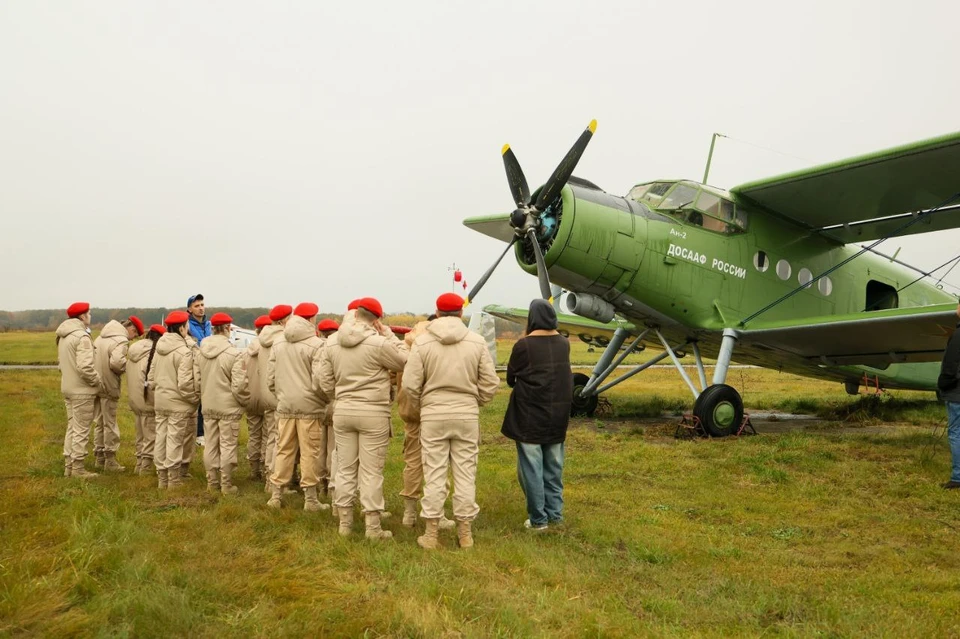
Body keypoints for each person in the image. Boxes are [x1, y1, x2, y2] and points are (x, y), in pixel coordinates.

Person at [402, 292, 499, 549]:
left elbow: (410, 385)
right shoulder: (477, 342)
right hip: (466, 414)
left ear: (438, 311)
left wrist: (426, 403)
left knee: (434, 473)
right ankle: (465, 533)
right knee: (466, 473)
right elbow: (490, 383)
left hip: (433, 415)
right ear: (460, 313)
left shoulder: (422, 343)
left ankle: (431, 533)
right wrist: (474, 401)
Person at [317, 297, 407, 539]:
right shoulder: (378, 343)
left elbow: (322, 379)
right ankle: (372, 527)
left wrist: (337, 395)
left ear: (355, 315)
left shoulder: (332, 342)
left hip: (343, 409)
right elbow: (404, 361)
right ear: (376, 320)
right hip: (373, 412)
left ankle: (344, 523)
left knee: (345, 468)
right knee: (371, 471)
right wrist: (388, 335)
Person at [500, 299, 573, 531]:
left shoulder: (524, 345)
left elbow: (511, 378)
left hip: (529, 417)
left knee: (532, 470)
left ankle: (538, 520)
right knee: (553, 469)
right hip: (558, 416)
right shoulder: (564, 343)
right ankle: (555, 516)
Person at [266, 302, 328, 510]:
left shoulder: (278, 342)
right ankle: (310, 499)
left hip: (285, 405)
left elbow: (270, 379)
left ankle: (276, 495)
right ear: (311, 319)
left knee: (283, 449)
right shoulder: (317, 344)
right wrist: (323, 399)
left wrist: (282, 395)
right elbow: (320, 380)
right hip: (310, 407)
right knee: (310, 452)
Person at [149, 310, 200, 489]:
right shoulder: (184, 352)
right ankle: (173, 479)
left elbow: (151, 376)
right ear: (182, 328)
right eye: (186, 326)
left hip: (161, 401)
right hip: (178, 403)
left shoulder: (159, 349)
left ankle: (162, 479)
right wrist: (195, 399)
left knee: (161, 438)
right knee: (174, 441)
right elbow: (185, 384)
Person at [197, 312, 248, 495]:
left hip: (208, 405)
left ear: (212, 329)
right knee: (227, 445)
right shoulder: (234, 354)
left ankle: (212, 482)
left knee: (210, 444)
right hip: (228, 407)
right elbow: (239, 385)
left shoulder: (201, 352)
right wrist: (243, 403)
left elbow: (197, 380)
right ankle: (226, 484)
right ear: (227, 328)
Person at [92, 315, 144, 471]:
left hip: (96, 384)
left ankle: (99, 457)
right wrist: (126, 368)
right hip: (109, 385)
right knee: (110, 424)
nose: (133, 338)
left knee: (99, 422)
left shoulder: (101, 337)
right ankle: (110, 459)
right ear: (132, 329)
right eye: (135, 335)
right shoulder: (121, 340)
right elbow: (116, 363)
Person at [57, 302, 102, 479]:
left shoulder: (63, 336)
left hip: (68, 387)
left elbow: (61, 363)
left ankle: (69, 465)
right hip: (82, 390)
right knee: (82, 429)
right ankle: (78, 468)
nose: (90, 316)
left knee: (72, 427)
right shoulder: (82, 337)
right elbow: (85, 368)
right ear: (82, 317)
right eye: (89, 314)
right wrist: (97, 381)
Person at [258, 304, 292, 491]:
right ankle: (277, 481)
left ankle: (268, 478)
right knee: (281, 441)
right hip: (280, 395)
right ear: (284, 320)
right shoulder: (283, 339)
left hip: (266, 394)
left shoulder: (263, 338)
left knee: (271, 437)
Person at [235, 314, 271, 481]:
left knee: (254, 435)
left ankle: (253, 469)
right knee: (268, 435)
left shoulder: (246, 352)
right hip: (267, 396)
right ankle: (266, 469)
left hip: (251, 397)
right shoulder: (271, 349)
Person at [127, 323, 165, 475]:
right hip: (148, 400)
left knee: (140, 435)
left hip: (135, 400)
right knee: (150, 436)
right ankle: (146, 468)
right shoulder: (153, 354)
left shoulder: (135, 350)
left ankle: (139, 464)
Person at [937, 301, 960, 489]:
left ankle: (958, 477)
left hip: (957, 394)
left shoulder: (958, 335)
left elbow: (950, 366)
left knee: (956, 434)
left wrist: (942, 383)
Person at [317, 318, 340, 497]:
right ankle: (332, 483)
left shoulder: (318, 349)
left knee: (320, 447)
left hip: (319, 403)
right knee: (333, 448)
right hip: (334, 403)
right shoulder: (336, 349)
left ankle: (320, 483)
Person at [187, 294, 212, 447]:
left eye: (202, 305)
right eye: (197, 306)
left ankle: (205, 431)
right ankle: (198, 433)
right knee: (196, 400)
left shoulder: (209, 325)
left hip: (208, 365)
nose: (201, 308)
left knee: (206, 399)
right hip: (194, 364)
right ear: (189, 309)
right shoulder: (187, 326)